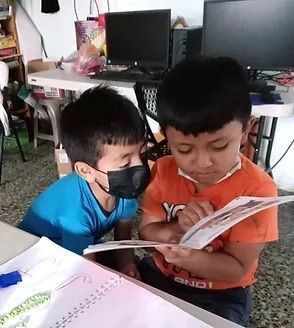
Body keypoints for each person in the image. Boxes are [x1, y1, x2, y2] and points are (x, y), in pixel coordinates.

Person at [138, 56, 278, 326]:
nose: (202, 163)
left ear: (246, 128)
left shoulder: (257, 190)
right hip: (160, 275)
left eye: (219, 146)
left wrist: (191, 257)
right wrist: (173, 231)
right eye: (184, 149)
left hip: (220, 294)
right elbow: (147, 230)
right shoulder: (165, 170)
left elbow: (237, 269)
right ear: (165, 135)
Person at [19, 86, 150, 278]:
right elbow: (85, 271)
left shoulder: (124, 192)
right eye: (125, 163)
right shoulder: (76, 213)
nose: (139, 166)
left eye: (143, 152)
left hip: (77, 246)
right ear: (86, 171)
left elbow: (122, 242)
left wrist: (127, 265)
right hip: (34, 254)